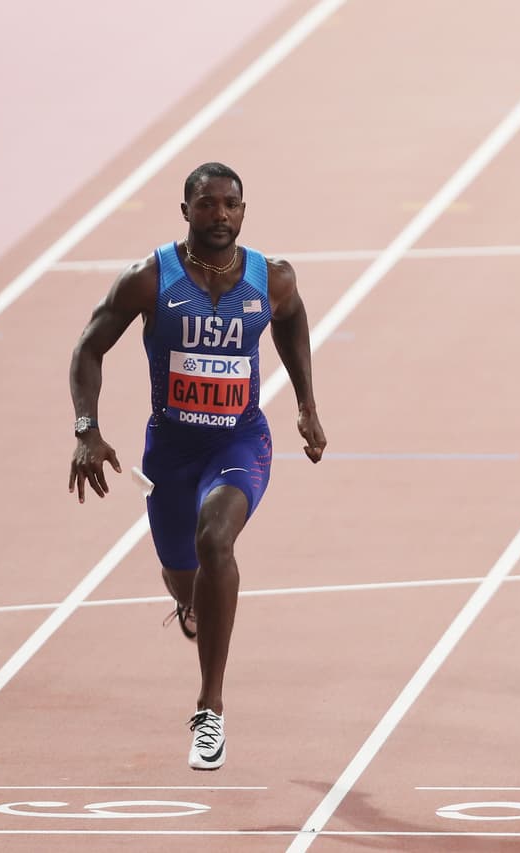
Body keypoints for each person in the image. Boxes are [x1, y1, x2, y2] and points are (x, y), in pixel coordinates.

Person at [68, 162, 327, 768]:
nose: (219, 215)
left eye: (230, 205)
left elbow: (291, 323)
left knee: (217, 540)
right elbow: (89, 347)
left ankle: (209, 709)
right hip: (170, 454)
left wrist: (308, 406)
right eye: (206, 204)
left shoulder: (274, 278)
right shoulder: (148, 278)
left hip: (238, 444)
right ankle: (190, 607)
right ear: (184, 211)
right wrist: (87, 429)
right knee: (186, 578)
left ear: (243, 210)